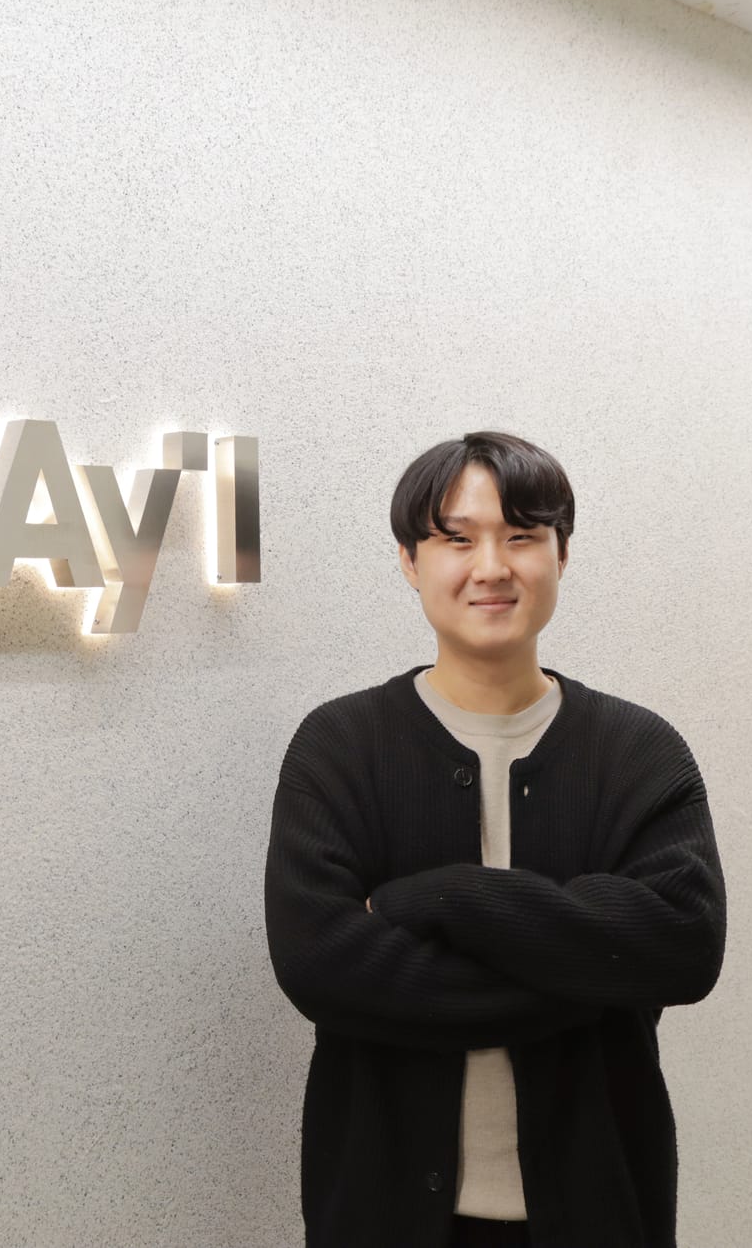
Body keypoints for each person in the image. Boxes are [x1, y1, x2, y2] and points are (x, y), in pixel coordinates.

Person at [263, 431, 726, 1248]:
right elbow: (321, 965)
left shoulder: (639, 754)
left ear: (561, 553)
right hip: (385, 1219)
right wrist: (589, 969)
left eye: (520, 536)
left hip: (599, 1216)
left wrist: (435, 898)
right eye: (457, 538)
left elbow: (684, 946)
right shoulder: (339, 748)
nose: (491, 567)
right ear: (409, 560)